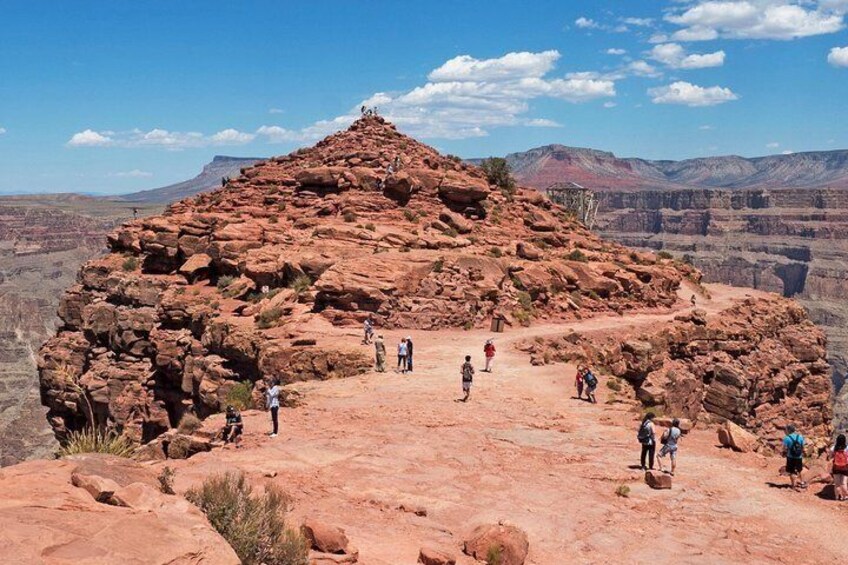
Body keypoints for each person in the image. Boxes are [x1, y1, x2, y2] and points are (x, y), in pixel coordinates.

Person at [782, 424, 807, 491]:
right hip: (799, 456)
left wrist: (785, 452)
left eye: (786, 430)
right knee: (800, 470)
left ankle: (793, 486)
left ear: (788, 430)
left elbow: (784, 448)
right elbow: (803, 446)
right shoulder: (800, 437)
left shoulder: (787, 438)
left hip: (790, 457)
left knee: (792, 471)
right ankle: (802, 483)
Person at [829, 433, 848, 500]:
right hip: (845, 467)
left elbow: (830, 457)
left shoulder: (833, 448)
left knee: (837, 484)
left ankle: (837, 497)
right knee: (843, 483)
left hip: (836, 467)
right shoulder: (847, 447)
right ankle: (845, 496)